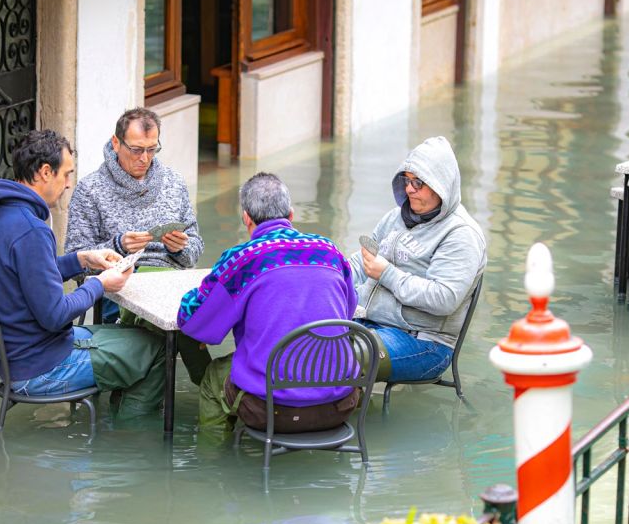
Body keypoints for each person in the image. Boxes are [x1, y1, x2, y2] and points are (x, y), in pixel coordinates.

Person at [0, 129, 165, 418]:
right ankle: (128, 440)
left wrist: (81, 259)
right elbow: (54, 314)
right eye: (66, 174)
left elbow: (28, 276)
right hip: (40, 369)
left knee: (135, 336)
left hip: (16, 356)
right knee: (157, 346)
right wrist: (101, 284)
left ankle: (116, 414)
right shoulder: (31, 230)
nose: (68, 184)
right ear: (45, 172)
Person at [177, 173, 361, 433]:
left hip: (271, 410)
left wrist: (190, 295)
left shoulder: (241, 260)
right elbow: (348, 312)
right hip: (340, 403)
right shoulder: (330, 251)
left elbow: (196, 323)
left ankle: (215, 468)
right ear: (291, 214)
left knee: (213, 379)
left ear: (246, 218)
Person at [64, 107, 210, 384]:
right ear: (116, 143)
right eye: (136, 149)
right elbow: (74, 261)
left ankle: (150, 402)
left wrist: (180, 247)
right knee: (186, 311)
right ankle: (208, 381)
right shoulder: (90, 189)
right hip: (117, 289)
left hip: (170, 281)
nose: (144, 158)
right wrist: (117, 245)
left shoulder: (173, 182)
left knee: (194, 303)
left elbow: (195, 250)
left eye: (152, 149)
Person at [351, 136, 486, 385]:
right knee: (307, 336)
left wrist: (387, 274)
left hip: (425, 343)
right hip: (369, 321)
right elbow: (361, 263)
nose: (409, 189)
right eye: (407, 180)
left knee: (345, 356)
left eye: (419, 183)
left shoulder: (461, 234)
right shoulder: (395, 218)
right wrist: (327, 271)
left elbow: (443, 298)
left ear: (441, 186)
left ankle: (340, 415)